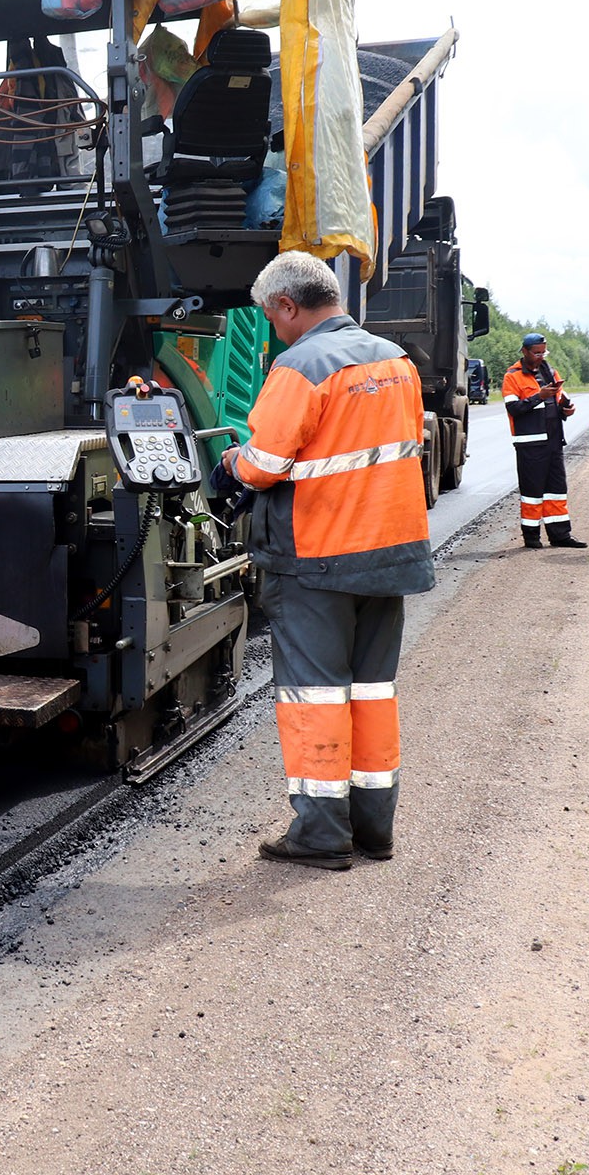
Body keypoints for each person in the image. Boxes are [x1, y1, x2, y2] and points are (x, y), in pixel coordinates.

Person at [221, 251, 435, 870]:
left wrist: (230, 464)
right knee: (372, 693)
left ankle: (320, 835)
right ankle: (373, 830)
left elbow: (263, 465)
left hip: (318, 560)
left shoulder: (301, 365)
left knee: (315, 696)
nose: (272, 328)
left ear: (288, 306)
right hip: (388, 554)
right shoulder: (395, 360)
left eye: (271, 316)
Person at [501, 332, 585, 549]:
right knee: (532, 493)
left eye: (543, 352)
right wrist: (539, 396)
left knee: (556, 491)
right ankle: (531, 538)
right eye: (536, 353)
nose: (540, 356)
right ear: (525, 351)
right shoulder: (513, 376)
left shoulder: (550, 372)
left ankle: (560, 536)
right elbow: (514, 408)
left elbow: (558, 401)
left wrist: (566, 409)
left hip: (553, 441)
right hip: (530, 444)